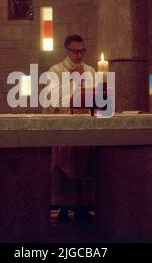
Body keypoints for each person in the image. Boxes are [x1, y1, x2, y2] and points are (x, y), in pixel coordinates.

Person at [44, 34, 96, 223]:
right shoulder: (55, 71)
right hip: (65, 126)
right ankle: (64, 207)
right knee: (64, 167)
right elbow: (52, 99)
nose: (79, 55)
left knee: (85, 165)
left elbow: (98, 98)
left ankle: (83, 206)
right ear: (67, 51)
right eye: (75, 51)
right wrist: (73, 102)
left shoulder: (90, 71)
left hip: (85, 129)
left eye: (82, 51)